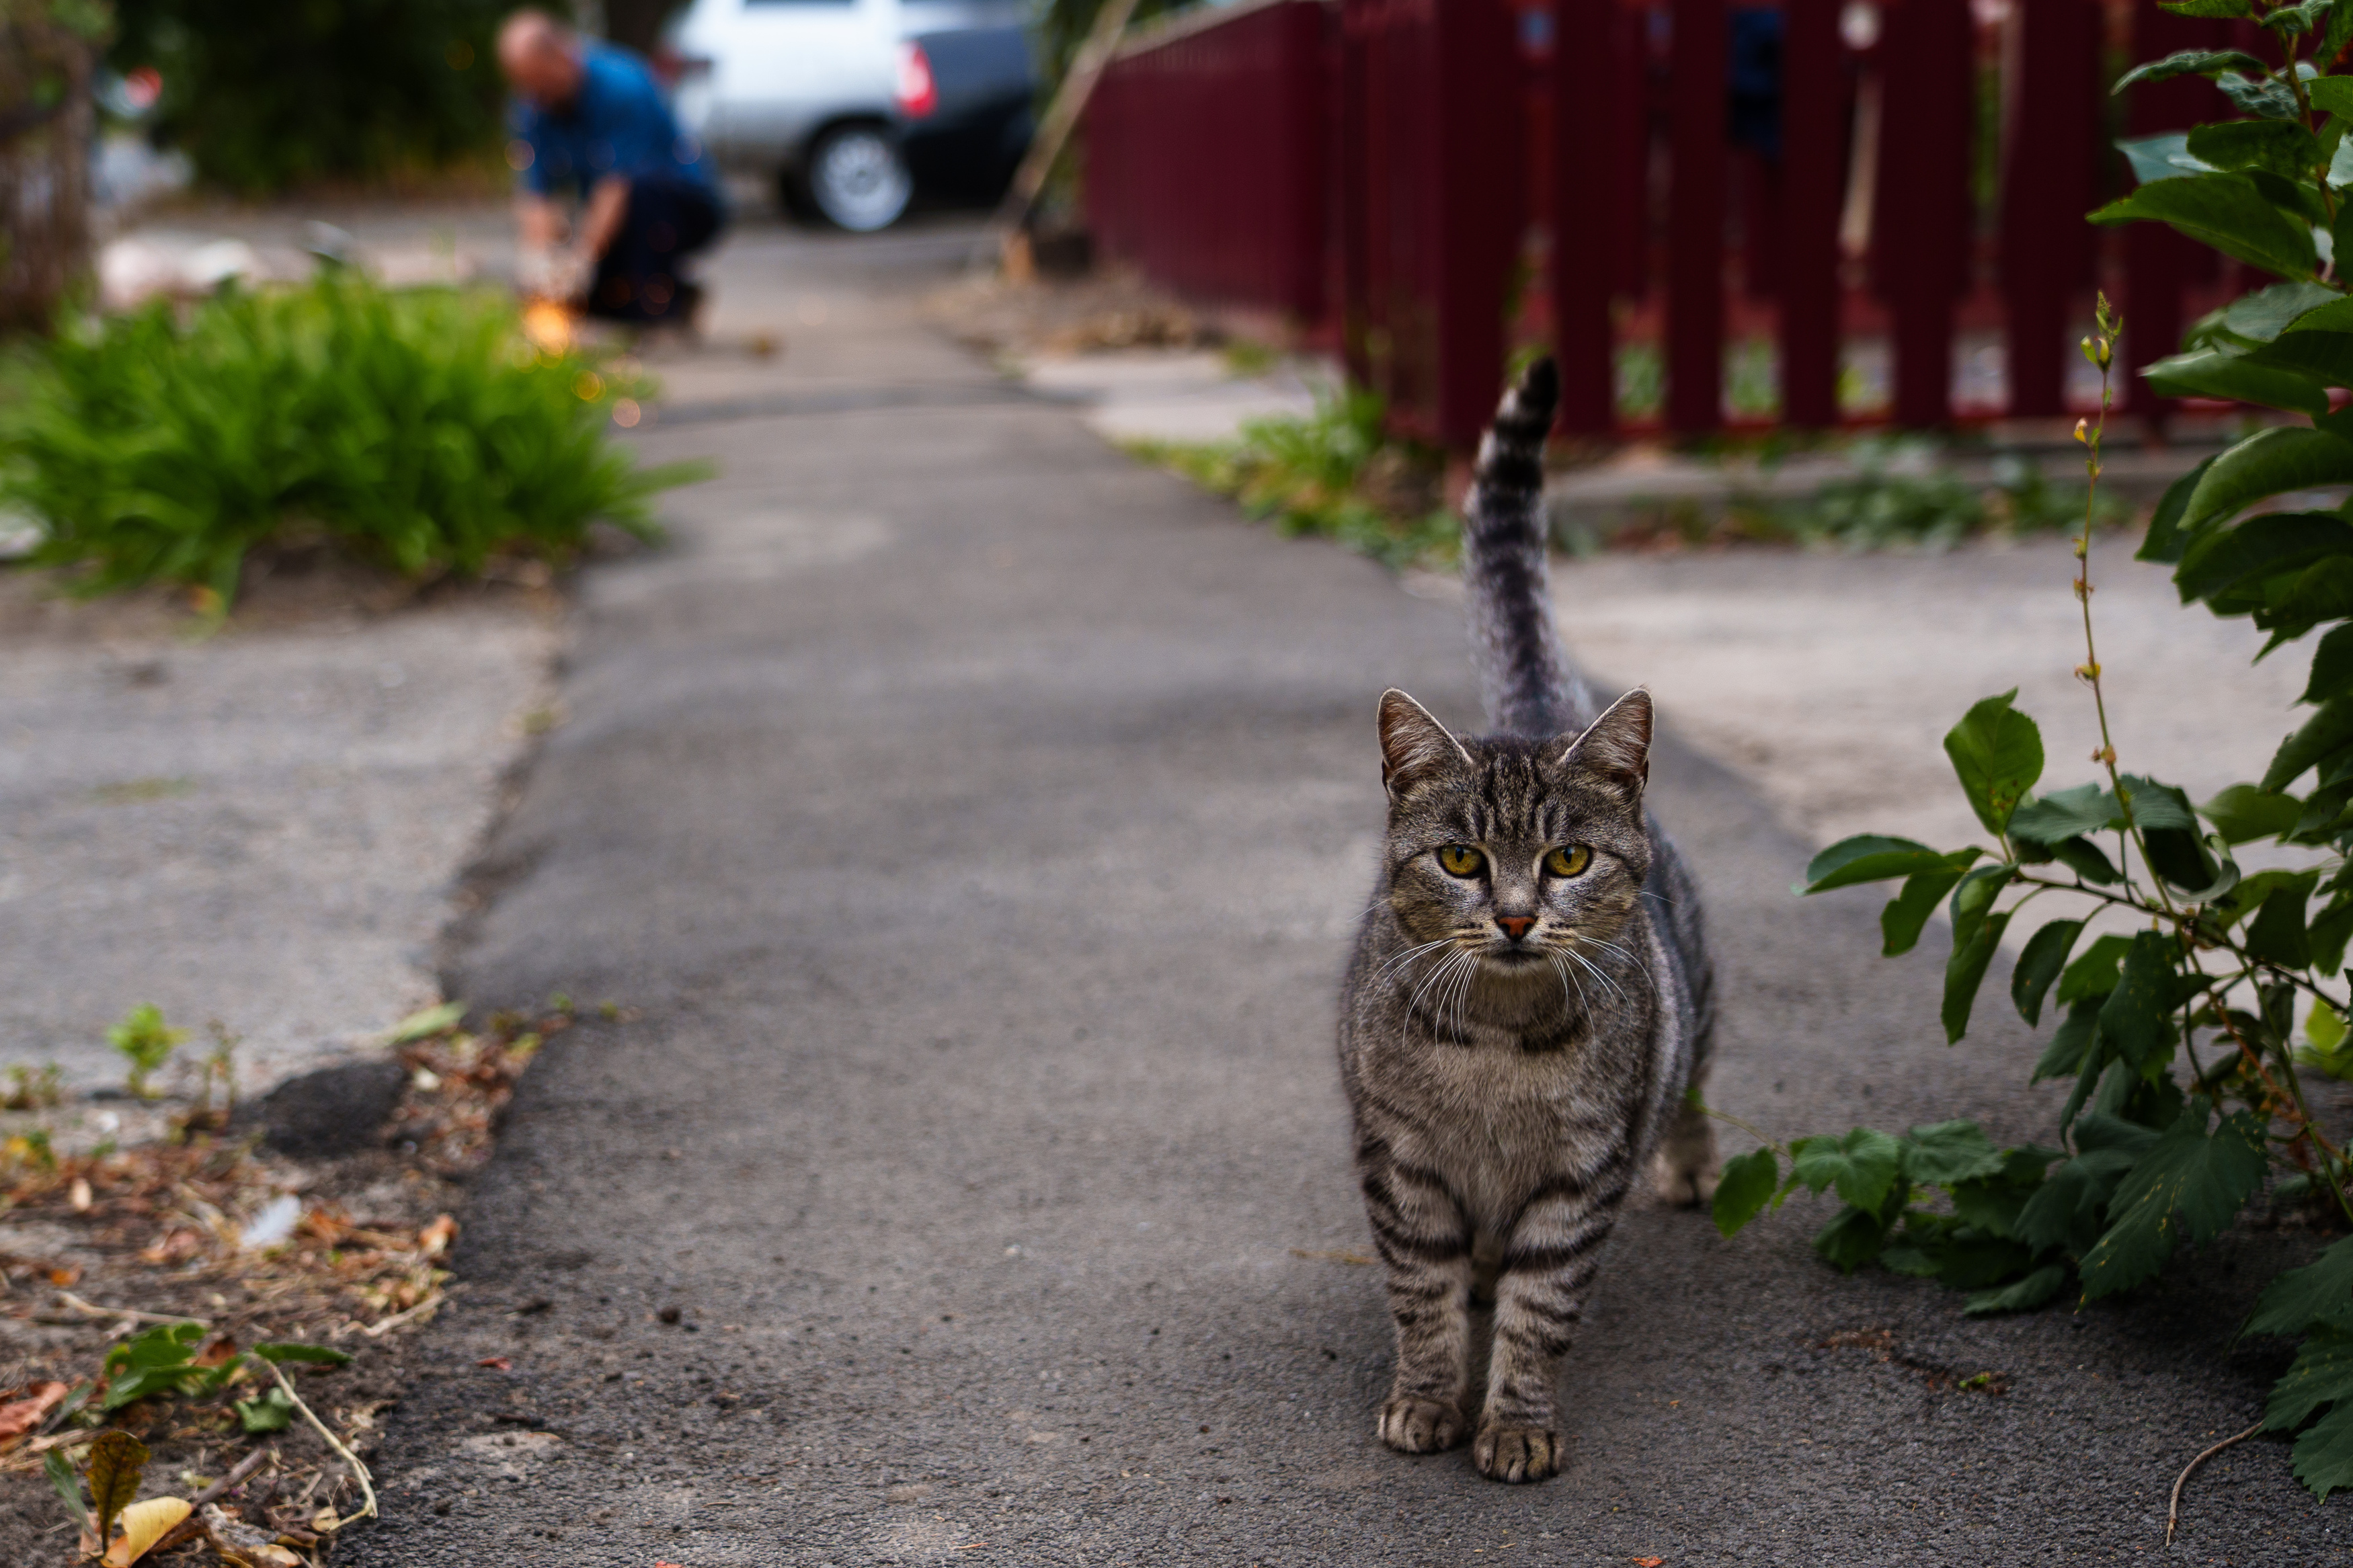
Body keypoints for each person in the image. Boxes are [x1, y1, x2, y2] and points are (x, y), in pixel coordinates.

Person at [497, 9, 723, 327]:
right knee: (589, 299)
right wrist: (540, 261)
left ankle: (660, 307)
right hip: (613, 207)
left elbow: (616, 188)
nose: (536, 96)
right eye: (527, 85)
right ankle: (671, 294)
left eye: (540, 82)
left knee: (641, 196)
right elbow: (537, 194)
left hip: (681, 204)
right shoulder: (534, 104)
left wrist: (582, 261)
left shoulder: (622, 86)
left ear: (560, 56)